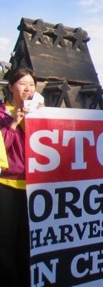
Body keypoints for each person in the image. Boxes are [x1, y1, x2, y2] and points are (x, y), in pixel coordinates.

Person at [1, 67, 42, 287]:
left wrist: (44, 118)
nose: (28, 89)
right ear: (10, 87)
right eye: (22, 84)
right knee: (6, 241)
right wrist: (14, 124)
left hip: (33, 185)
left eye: (32, 85)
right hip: (6, 184)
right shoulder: (2, 113)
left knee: (27, 241)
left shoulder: (37, 112)